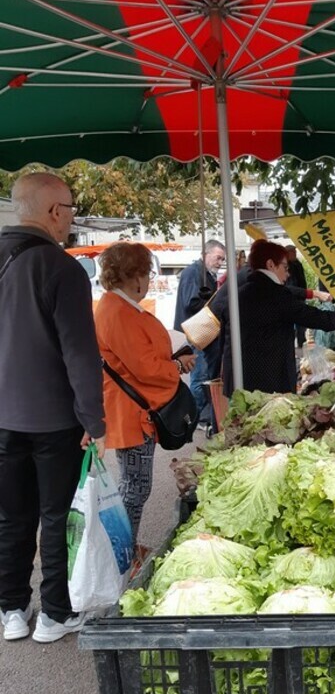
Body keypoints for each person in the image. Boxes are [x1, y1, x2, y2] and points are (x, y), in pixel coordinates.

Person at [0, 172, 105, 644]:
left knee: (11, 515)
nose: (71, 218)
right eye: (70, 209)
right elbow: (80, 354)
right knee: (58, 516)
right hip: (54, 419)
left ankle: (11, 609)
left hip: (3, 417)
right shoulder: (61, 269)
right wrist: (94, 420)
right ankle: (55, 614)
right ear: (53, 212)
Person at [94, 243, 196, 557]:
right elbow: (145, 367)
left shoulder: (118, 307)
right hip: (134, 413)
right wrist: (177, 365)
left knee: (134, 486)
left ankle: (126, 549)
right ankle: (123, 554)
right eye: (147, 275)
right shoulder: (118, 312)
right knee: (135, 488)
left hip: (136, 410)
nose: (149, 281)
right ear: (136, 277)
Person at [210, 240, 335, 395]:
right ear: (271, 265)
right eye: (285, 267)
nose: (288, 273)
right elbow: (316, 318)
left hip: (237, 379)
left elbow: (223, 339)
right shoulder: (276, 295)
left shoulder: (239, 294)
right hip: (266, 384)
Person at [173, 239, 225, 425]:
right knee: (200, 375)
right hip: (198, 330)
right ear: (206, 254)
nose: (220, 263)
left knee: (204, 374)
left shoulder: (204, 273)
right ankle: (197, 418)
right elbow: (190, 302)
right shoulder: (193, 272)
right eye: (218, 258)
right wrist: (215, 306)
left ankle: (200, 417)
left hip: (204, 330)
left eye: (222, 260)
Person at [284, 244, 308, 346]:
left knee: (301, 323)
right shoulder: (286, 266)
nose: (295, 253)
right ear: (287, 253)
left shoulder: (297, 263)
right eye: (293, 252)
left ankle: (301, 342)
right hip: (291, 298)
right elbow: (290, 285)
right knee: (291, 324)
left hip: (300, 297)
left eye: (295, 251)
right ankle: (291, 344)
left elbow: (302, 280)